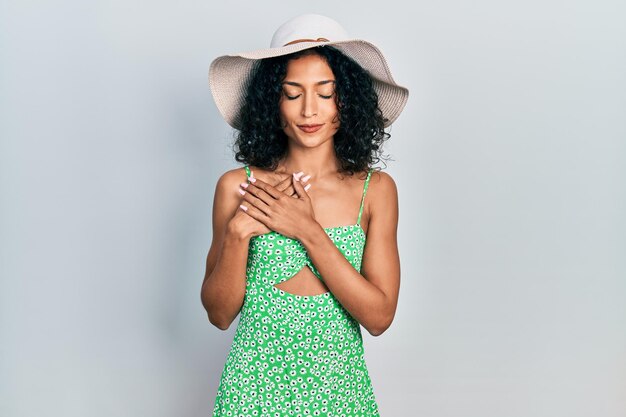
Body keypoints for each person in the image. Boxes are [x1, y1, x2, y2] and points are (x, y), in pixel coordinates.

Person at [201, 13, 409, 417]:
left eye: (324, 92)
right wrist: (237, 236)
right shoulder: (237, 187)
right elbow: (219, 314)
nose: (309, 110)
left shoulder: (376, 191)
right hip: (251, 393)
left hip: (339, 392)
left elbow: (379, 317)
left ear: (345, 101)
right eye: (292, 94)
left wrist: (307, 230)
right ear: (272, 104)